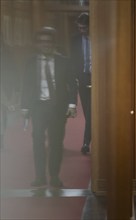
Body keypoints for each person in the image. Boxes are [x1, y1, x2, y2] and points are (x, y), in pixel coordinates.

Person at [21, 27, 78, 187]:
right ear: (37, 44)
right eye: (42, 42)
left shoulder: (64, 61)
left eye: (48, 41)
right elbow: (26, 85)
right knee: (37, 141)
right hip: (38, 107)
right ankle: (39, 177)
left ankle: (54, 176)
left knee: (56, 142)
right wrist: (24, 107)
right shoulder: (31, 62)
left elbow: (72, 85)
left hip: (57, 108)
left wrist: (72, 104)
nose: (45, 44)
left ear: (54, 43)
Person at [70, 13, 92, 154]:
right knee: (88, 112)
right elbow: (73, 62)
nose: (81, 30)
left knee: (98, 113)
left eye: (84, 28)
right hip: (83, 78)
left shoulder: (99, 39)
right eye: (79, 28)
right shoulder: (75, 40)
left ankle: (88, 142)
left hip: (100, 79)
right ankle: (86, 142)